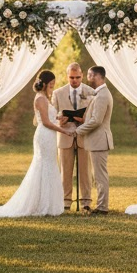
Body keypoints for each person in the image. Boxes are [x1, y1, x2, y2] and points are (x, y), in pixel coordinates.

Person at [0, 70, 71, 221]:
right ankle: (42, 204)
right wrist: (62, 130)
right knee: (44, 166)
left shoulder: (45, 98)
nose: (53, 87)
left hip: (49, 135)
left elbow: (46, 119)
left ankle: (48, 203)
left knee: (49, 165)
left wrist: (59, 121)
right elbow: (44, 122)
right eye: (51, 84)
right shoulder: (41, 99)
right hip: (45, 135)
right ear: (44, 84)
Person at [52, 62, 94, 211]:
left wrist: (85, 120)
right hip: (64, 135)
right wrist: (59, 119)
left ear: (82, 75)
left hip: (84, 135)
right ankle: (65, 202)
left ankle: (86, 202)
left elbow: (96, 115)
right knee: (65, 170)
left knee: (85, 171)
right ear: (67, 77)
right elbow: (52, 115)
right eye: (71, 78)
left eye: (77, 77)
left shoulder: (91, 92)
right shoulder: (58, 93)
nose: (74, 80)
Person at [74, 66, 114, 214]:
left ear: (97, 76)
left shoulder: (103, 95)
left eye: (89, 75)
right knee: (98, 175)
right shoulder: (100, 93)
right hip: (97, 141)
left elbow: (96, 120)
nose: (87, 79)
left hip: (99, 141)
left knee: (100, 176)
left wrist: (78, 131)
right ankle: (101, 205)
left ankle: (102, 207)